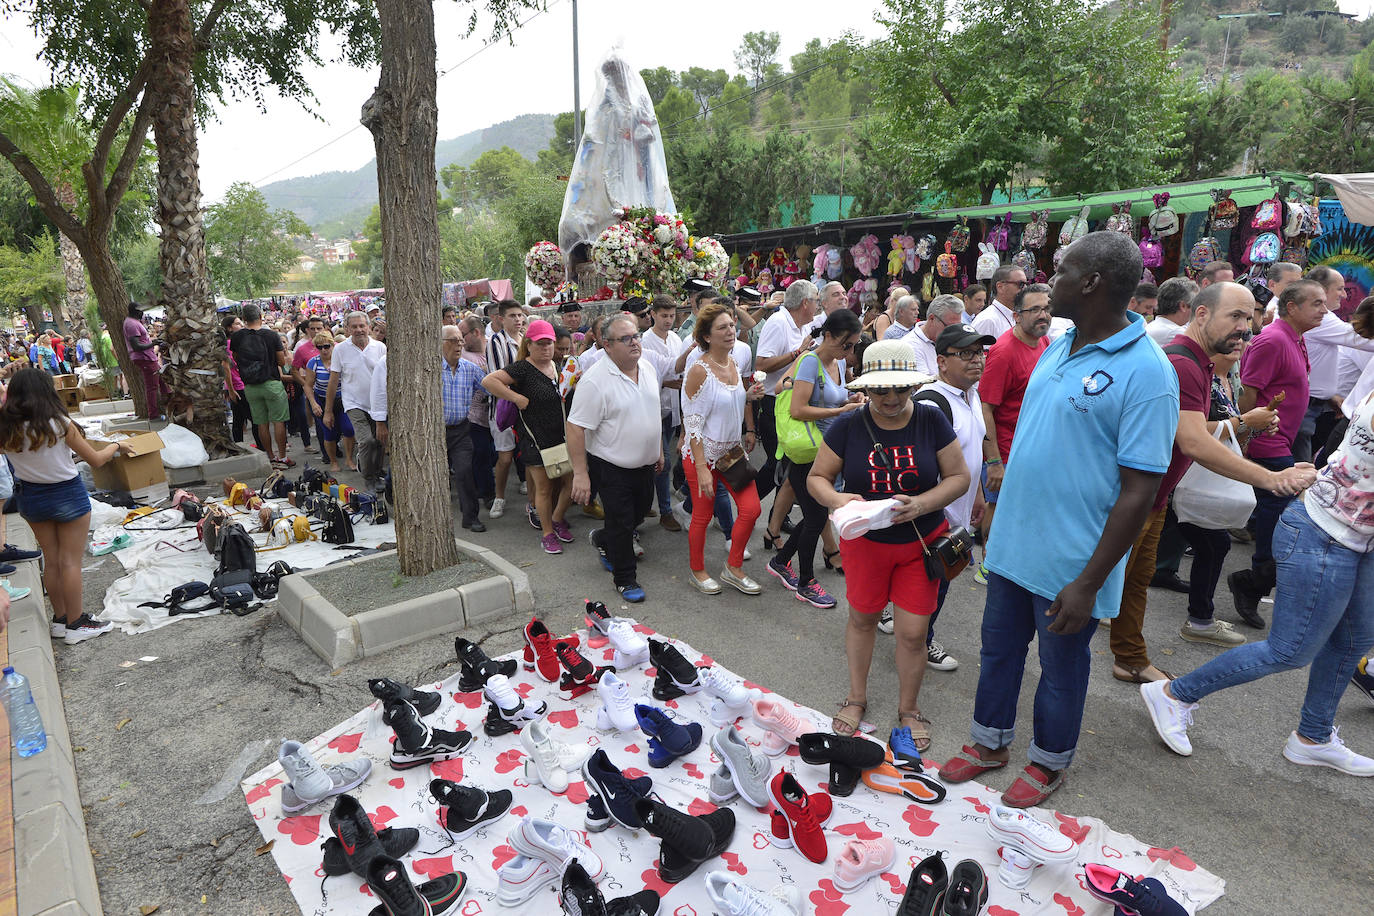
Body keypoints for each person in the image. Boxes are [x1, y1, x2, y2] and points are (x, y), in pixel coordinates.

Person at [939, 232, 1179, 808]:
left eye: (1063, 269)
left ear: (1092, 282)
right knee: (997, 649)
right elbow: (1032, 440)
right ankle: (989, 743)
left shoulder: (1148, 373)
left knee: (1061, 668)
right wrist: (994, 510)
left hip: (1073, 564)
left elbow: (1140, 491)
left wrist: (1089, 582)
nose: (1050, 280)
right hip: (1014, 545)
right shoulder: (1059, 342)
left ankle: (1048, 762)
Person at [1142, 388, 1374, 777]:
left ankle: (1312, 738)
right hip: (1324, 532)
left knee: (1353, 641)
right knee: (1289, 650)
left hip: (1358, 538)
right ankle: (1173, 694)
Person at [1111, 283, 1316, 685]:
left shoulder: (1202, 363)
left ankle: (1130, 657)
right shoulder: (1184, 363)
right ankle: (1063, 670)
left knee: (1134, 582)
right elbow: (1192, 440)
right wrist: (1272, 478)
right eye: (1235, 316)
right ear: (1201, 314)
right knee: (1103, 585)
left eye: (1248, 316)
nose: (1245, 327)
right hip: (1132, 498)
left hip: (1153, 497)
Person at [808, 339, 970, 749]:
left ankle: (909, 709)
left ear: (914, 385)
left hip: (921, 543)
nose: (892, 398)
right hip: (866, 544)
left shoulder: (931, 420)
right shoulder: (849, 425)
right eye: (881, 390)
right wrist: (838, 499)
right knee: (863, 619)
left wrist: (922, 504)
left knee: (913, 633)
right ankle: (857, 697)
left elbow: (958, 477)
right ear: (867, 389)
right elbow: (817, 478)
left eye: (901, 388)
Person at [879, 323, 998, 672]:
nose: (976, 361)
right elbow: (913, 469)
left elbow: (967, 452)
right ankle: (920, 643)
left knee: (929, 584)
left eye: (980, 353)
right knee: (933, 585)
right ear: (942, 362)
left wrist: (976, 491)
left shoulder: (970, 395)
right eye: (966, 354)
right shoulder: (931, 403)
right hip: (932, 520)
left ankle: (900, 621)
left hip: (957, 512)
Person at [0, 369, 132, 644]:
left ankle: (60, 620)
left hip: (30, 496)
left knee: (51, 559)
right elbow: (96, 460)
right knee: (70, 561)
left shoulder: (6, 427)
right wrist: (117, 445)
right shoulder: (59, 424)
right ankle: (77, 623)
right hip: (66, 493)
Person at [1229, 279, 1328, 627]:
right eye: (1316, 303)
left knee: (1283, 512)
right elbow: (1247, 394)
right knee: (1284, 511)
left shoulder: (1296, 338)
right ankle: (1254, 580)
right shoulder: (1272, 339)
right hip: (1265, 442)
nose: (1326, 309)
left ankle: (1255, 580)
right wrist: (1242, 436)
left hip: (1281, 441)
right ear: (1291, 307)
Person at [567, 314, 668, 603]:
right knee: (623, 522)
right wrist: (580, 473)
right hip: (610, 466)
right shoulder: (595, 381)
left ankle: (603, 539)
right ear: (607, 345)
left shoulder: (647, 368)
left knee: (636, 516)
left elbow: (652, 413)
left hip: (646, 464)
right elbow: (575, 427)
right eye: (626, 338)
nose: (635, 342)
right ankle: (625, 579)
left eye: (636, 335)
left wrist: (658, 449)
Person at [767, 309, 863, 609]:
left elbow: (833, 398)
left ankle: (781, 561)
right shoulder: (809, 361)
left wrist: (851, 400)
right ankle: (806, 582)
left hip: (828, 450)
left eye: (853, 346)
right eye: (845, 344)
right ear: (829, 335)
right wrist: (839, 412)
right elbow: (798, 409)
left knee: (815, 515)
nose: (849, 352)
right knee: (817, 516)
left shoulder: (838, 361)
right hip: (806, 451)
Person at [681, 302, 765, 596]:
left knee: (752, 509)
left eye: (731, 326)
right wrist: (702, 467)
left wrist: (749, 395)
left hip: (731, 454)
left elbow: (730, 401)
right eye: (723, 328)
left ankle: (733, 567)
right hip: (702, 456)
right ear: (706, 336)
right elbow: (692, 423)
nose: (731, 331)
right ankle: (697, 570)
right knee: (702, 517)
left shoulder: (734, 363)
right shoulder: (698, 371)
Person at [976, 283, 1051, 578]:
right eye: (1034, 310)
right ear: (1017, 315)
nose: (1042, 315)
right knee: (997, 509)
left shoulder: (1043, 343)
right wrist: (993, 461)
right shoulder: (1004, 351)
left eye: (1046, 308)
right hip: (1005, 449)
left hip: (1031, 448)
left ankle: (1008, 561)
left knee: (1020, 511)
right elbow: (985, 408)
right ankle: (987, 564)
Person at [482, 319, 573, 555]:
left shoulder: (558, 366)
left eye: (550, 344)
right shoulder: (522, 368)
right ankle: (547, 533)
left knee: (570, 483)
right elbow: (488, 380)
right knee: (543, 489)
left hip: (560, 438)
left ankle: (556, 518)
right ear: (529, 345)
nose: (546, 349)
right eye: (541, 344)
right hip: (535, 438)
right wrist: (515, 398)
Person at [755, 280, 820, 541]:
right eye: (815, 300)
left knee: (788, 466)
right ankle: (746, 505)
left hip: (793, 404)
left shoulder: (804, 324)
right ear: (805, 303)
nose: (817, 305)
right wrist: (798, 352)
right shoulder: (778, 322)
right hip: (773, 403)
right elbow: (761, 364)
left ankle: (777, 519)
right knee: (776, 465)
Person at [1296, 265, 1374, 463]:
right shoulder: (1320, 319)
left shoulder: (1325, 319)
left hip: (1323, 406)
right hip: (1313, 407)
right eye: (1339, 288)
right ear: (1321, 289)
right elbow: (1361, 338)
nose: (1344, 295)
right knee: (1304, 467)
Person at [324, 311, 386, 489]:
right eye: (354, 326)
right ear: (347, 329)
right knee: (366, 440)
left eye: (362, 326)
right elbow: (334, 380)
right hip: (354, 403)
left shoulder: (380, 347)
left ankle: (376, 471)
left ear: (368, 327)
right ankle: (369, 478)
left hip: (378, 403)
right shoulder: (340, 350)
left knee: (380, 440)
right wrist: (328, 411)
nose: (359, 330)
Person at [641, 296, 685, 532]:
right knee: (662, 461)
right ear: (653, 315)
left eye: (671, 316)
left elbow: (679, 366)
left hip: (672, 408)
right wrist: (667, 382)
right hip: (653, 407)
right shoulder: (645, 341)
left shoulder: (676, 338)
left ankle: (649, 502)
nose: (668, 320)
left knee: (661, 460)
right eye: (664, 316)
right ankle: (665, 510)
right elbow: (646, 373)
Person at [437, 325, 487, 532]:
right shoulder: (430, 369)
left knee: (465, 471)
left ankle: (470, 517)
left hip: (460, 430)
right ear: (440, 344)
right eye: (453, 341)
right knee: (431, 476)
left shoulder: (470, 368)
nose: (459, 344)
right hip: (434, 433)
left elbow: (489, 388)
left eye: (460, 340)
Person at [230, 303, 293, 467]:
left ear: (244, 319)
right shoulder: (271, 335)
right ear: (260, 316)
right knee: (279, 421)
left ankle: (270, 456)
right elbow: (280, 360)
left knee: (260, 422)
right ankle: (283, 457)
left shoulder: (237, 337)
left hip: (250, 386)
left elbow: (236, 358)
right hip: (271, 382)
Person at [485, 300, 527, 518]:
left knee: (528, 453)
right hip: (503, 408)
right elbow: (497, 378)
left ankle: (531, 494)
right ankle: (499, 497)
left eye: (520, 315)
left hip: (526, 406)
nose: (518, 320)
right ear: (501, 318)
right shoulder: (496, 342)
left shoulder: (526, 340)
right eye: (512, 316)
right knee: (505, 457)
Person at [459, 317, 497, 510]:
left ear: (476, 333)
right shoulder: (462, 355)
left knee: (494, 454)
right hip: (473, 414)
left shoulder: (495, 346)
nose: (460, 340)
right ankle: (488, 494)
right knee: (480, 452)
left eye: (462, 335)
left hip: (497, 410)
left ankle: (481, 483)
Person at [305, 334, 355, 472]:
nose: (323, 350)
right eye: (319, 347)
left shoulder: (341, 360)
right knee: (329, 432)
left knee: (349, 429)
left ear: (333, 346)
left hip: (341, 399)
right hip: (321, 399)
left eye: (327, 346)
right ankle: (333, 461)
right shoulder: (313, 363)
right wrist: (314, 404)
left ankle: (349, 459)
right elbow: (308, 385)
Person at [903, 294, 963, 379]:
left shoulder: (950, 339)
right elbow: (923, 384)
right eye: (949, 327)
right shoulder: (910, 346)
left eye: (957, 327)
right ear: (932, 319)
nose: (954, 332)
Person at [123, 301, 163, 418]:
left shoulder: (134, 322)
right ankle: (153, 414)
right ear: (137, 311)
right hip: (144, 358)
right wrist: (153, 343)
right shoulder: (131, 324)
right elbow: (136, 346)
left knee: (161, 382)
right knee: (152, 387)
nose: (143, 313)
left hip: (149, 358)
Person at [971, 266, 1026, 341]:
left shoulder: (1013, 315)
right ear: (1000, 287)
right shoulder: (988, 321)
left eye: (1026, 284)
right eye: (1021, 284)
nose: (1025, 288)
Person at [1145, 277, 1199, 346]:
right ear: (1183, 306)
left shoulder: (1159, 325)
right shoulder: (1174, 332)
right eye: (1195, 304)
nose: (1197, 310)